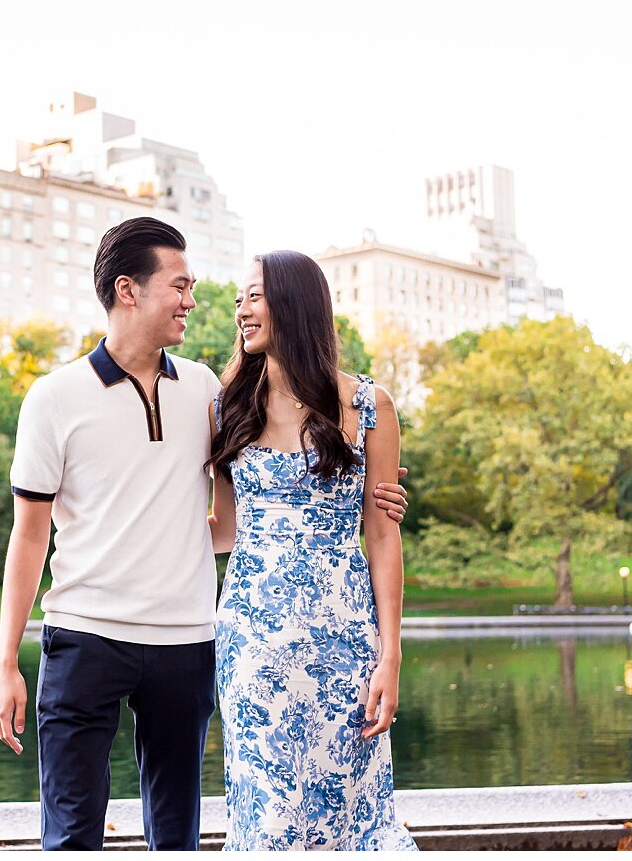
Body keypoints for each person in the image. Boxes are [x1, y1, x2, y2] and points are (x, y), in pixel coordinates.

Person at [0, 219, 409, 851]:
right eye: (181, 286)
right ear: (129, 290)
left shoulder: (211, 391)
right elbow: (32, 538)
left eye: (246, 294)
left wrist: (370, 492)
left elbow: (297, 525)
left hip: (225, 640)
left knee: (183, 836)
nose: (201, 302)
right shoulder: (72, 398)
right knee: (76, 832)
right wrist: (5, 660)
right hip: (120, 635)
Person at [207, 250, 416, 850]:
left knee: (351, 812)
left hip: (345, 641)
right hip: (253, 643)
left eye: (254, 296)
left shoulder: (369, 406)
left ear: (294, 304)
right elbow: (223, 528)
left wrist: (390, 656)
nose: (241, 309)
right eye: (240, 299)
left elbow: (381, 535)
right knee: (267, 813)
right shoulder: (227, 405)